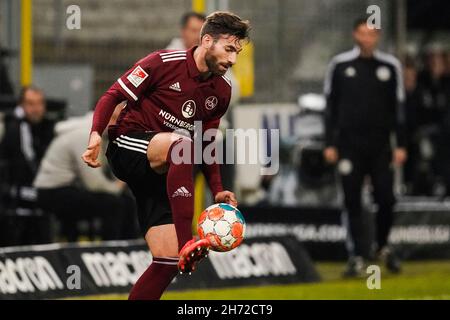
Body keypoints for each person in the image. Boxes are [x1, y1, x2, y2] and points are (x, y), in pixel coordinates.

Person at [82, 11, 250, 300]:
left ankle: (179, 249)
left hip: (164, 166)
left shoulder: (221, 91)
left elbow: (207, 142)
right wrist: (96, 132)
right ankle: (188, 240)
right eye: (229, 49)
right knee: (182, 146)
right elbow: (112, 95)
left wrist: (218, 189)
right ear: (207, 41)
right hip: (127, 146)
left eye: (238, 52)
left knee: (167, 260)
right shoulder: (162, 62)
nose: (233, 59)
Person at [323, 18, 407, 277]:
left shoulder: (390, 66)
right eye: (362, 33)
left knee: (386, 198)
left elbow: (399, 109)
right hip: (349, 146)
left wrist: (401, 144)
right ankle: (356, 255)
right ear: (355, 35)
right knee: (351, 201)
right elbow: (330, 108)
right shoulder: (340, 65)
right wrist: (330, 143)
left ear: (377, 36)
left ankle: (381, 246)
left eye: (371, 33)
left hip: (380, 145)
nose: (367, 38)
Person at [34, 103, 139, 242]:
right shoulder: (85, 134)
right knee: (114, 204)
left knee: (126, 202)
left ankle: (128, 249)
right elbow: (93, 183)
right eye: (113, 118)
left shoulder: (97, 133)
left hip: (68, 187)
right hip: (50, 191)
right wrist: (118, 185)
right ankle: (111, 250)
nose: (117, 124)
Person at [0, 86, 55, 245]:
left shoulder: (49, 127)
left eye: (39, 104)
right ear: (21, 106)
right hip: (15, 189)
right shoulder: (13, 127)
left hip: (42, 187)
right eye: (30, 104)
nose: (36, 109)